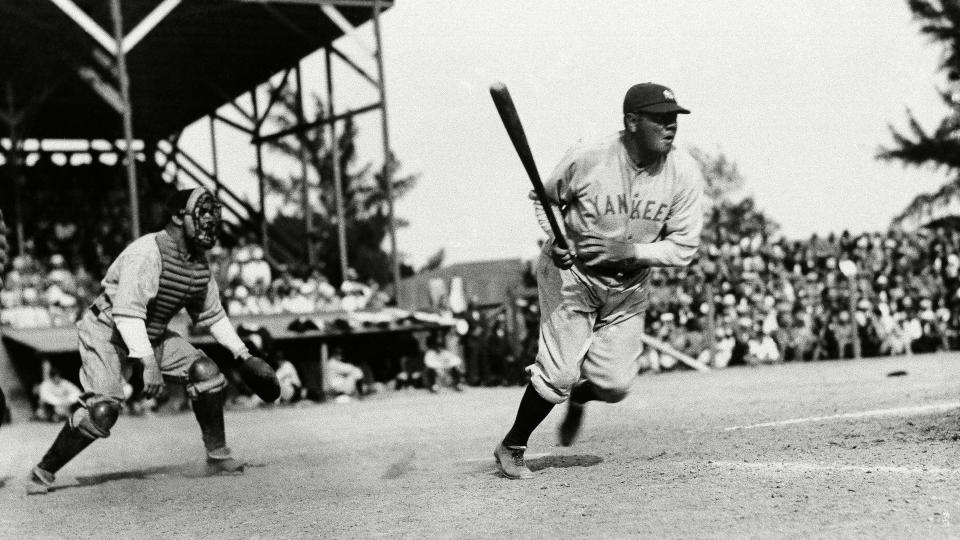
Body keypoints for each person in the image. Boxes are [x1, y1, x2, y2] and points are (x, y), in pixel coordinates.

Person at [493, 82, 704, 479]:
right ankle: (512, 445)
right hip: (572, 275)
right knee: (558, 374)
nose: (671, 126)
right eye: (660, 118)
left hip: (628, 286)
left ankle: (580, 397)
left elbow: (683, 248)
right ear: (631, 121)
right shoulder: (590, 156)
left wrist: (630, 251)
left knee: (616, 386)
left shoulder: (684, 172)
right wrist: (558, 239)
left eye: (674, 118)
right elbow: (544, 197)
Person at [26, 188, 278, 495]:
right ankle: (44, 470)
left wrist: (242, 353)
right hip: (108, 329)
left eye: (214, 212)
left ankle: (218, 457)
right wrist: (148, 363)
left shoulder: (198, 262)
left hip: (150, 331)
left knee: (205, 371)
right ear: (176, 217)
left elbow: (212, 315)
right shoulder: (147, 252)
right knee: (103, 412)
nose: (210, 219)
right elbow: (128, 313)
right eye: (202, 212)